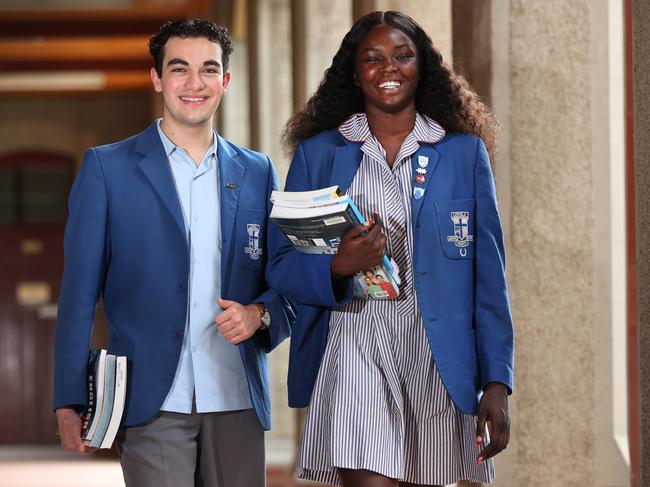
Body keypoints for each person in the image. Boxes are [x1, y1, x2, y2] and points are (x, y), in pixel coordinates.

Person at [267, 10, 514, 487]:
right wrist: (338, 266)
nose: (389, 68)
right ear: (354, 73)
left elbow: (490, 280)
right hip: (356, 346)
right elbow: (281, 265)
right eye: (373, 58)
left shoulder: (463, 154)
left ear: (422, 66)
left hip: (438, 360)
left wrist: (497, 384)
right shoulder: (320, 154)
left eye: (403, 56)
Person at [53, 19, 293, 486]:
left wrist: (260, 315)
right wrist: (68, 398)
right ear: (157, 78)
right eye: (179, 69)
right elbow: (78, 296)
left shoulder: (259, 171)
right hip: (150, 400)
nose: (194, 83)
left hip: (238, 396)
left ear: (225, 81)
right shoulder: (107, 168)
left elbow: (286, 279)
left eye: (208, 70)